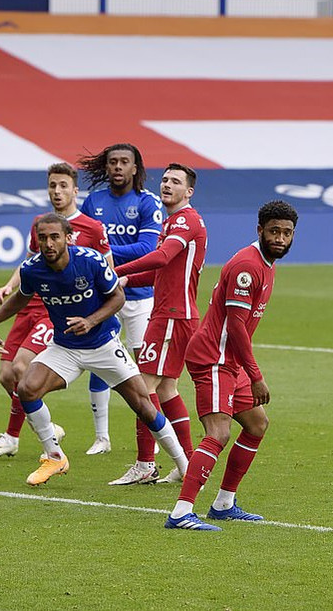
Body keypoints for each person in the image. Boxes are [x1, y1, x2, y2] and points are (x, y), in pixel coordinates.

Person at [0, 213, 187, 486]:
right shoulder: (32, 269)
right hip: (64, 347)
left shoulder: (90, 261)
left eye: (55, 237)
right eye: (43, 238)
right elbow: (22, 297)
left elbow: (117, 296)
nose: (48, 243)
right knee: (26, 389)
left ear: (68, 238)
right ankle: (54, 456)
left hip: (103, 344)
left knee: (144, 406)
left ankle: (185, 466)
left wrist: (90, 321)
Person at [165, 200, 298, 531]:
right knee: (218, 432)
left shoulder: (267, 264)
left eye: (287, 233)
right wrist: (256, 376)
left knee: (256, 424)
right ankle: (181, 512)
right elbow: (236, 327)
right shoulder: (247, 266)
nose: (280, 238)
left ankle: (224, 504)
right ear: (259, 231)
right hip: (213, 357)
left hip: (230, 360)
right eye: (274, 231)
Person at [0, 162, 113, 457]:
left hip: (53, 310)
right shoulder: (41, 224)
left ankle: (13, 437)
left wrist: (96, 312)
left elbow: (109, 272)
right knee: (6, 375)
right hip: (29, 303)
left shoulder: (92, 228)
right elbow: (29, 262)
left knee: (20, 367)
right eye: (52, 185)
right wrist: (9, 285)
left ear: (75, 190)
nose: (57, 191)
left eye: (63, 186)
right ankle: (46, 427)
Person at [111, 163, 206, 485]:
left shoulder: (185, 221)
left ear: (188, 191)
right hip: (176, 315)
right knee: (166, 389)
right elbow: (160, 272)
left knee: (143, 389)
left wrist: (119, 267)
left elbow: (162, 258)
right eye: (165, 179)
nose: (167, 185)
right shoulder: (175, 222)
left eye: (175, 181)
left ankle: (145, 462)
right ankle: (189, 463)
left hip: (170, 317)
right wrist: (125, 278)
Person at [78, 143, 163, 456]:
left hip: (139, 295)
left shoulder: (147, 202)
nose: (117, 167)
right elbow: (79, 240)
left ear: (135, 167)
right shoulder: (94, 201)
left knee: (145, 369)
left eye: (124, 162)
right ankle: (102, 437)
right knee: (100, 363)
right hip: (103, 294)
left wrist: (105, 253)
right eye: (112, 162)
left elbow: (148, 248)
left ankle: (149, 440)